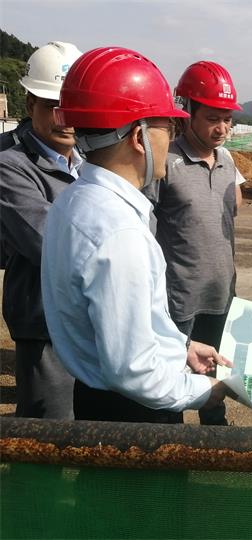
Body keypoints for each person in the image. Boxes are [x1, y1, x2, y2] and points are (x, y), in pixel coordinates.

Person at [41, 46, 233, 423]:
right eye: (168, 127)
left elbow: (126, 324)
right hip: (131, 412)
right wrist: (204, 391)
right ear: (139, 137)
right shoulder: (118, 232)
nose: (170, 139)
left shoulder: (75, 200)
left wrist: (180, 347)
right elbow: (132, 371)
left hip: (97, 397)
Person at [141, 60, 243, 426]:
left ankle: (215, 430)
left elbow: (230, 210)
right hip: (178, 298)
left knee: (214, 370)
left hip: (221, 294)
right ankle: (168, 440)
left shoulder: (227, 161)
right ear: (187, 113)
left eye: (227, 119)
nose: (222, 128)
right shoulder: (164, 162)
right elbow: (145, 230)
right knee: (171, 374)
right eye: (213, 118)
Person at [0, 41, 83, 419]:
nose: (65, 119)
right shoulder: (9, 163)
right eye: (53, 106)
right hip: (43, 322)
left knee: (93, 429)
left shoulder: (87, 158)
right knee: (50, 428)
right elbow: (47, 240)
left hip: (87, 318)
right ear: (30, 103)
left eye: (73, 107)